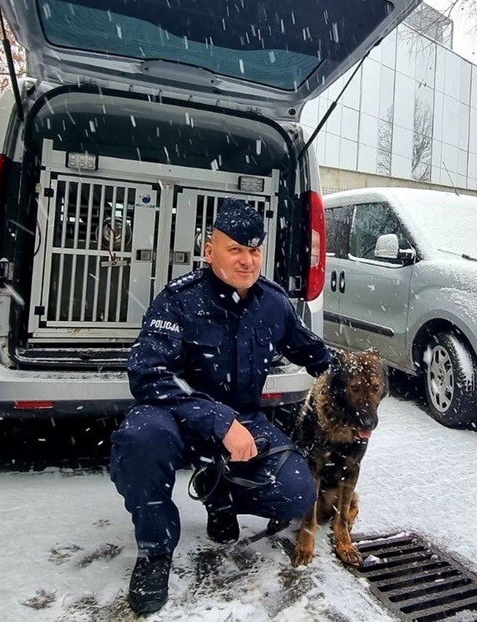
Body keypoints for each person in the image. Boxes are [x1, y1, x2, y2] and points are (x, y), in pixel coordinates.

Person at [110, 198, 332, 615]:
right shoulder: (179, 300)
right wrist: (217, 419)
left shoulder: (273, 303)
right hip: (176, 416)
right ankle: (155, 552)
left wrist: (355, 379)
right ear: (209, 251)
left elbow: (314, 353)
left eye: (254, 251)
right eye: (235, 250)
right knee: (140, 438)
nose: (247, 261)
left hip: (242, 421)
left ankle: (220, 494)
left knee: (297, 492)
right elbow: (149, 375)